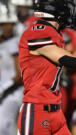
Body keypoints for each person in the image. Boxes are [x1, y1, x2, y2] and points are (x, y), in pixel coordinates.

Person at [17, 0, 76, 134]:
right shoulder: (39, 32)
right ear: (55, 8)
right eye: (65, 6)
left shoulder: (52, 32)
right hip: (37, 111)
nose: (67, 11)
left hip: (55, 111)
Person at [0, 2, 23, 135]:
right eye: (3, 24)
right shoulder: (3, 43)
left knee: (4, 129)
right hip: (6, 94)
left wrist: (3, 88)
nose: (6, 28)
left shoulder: (13, 43)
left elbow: (19, 74)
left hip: (13, 94)